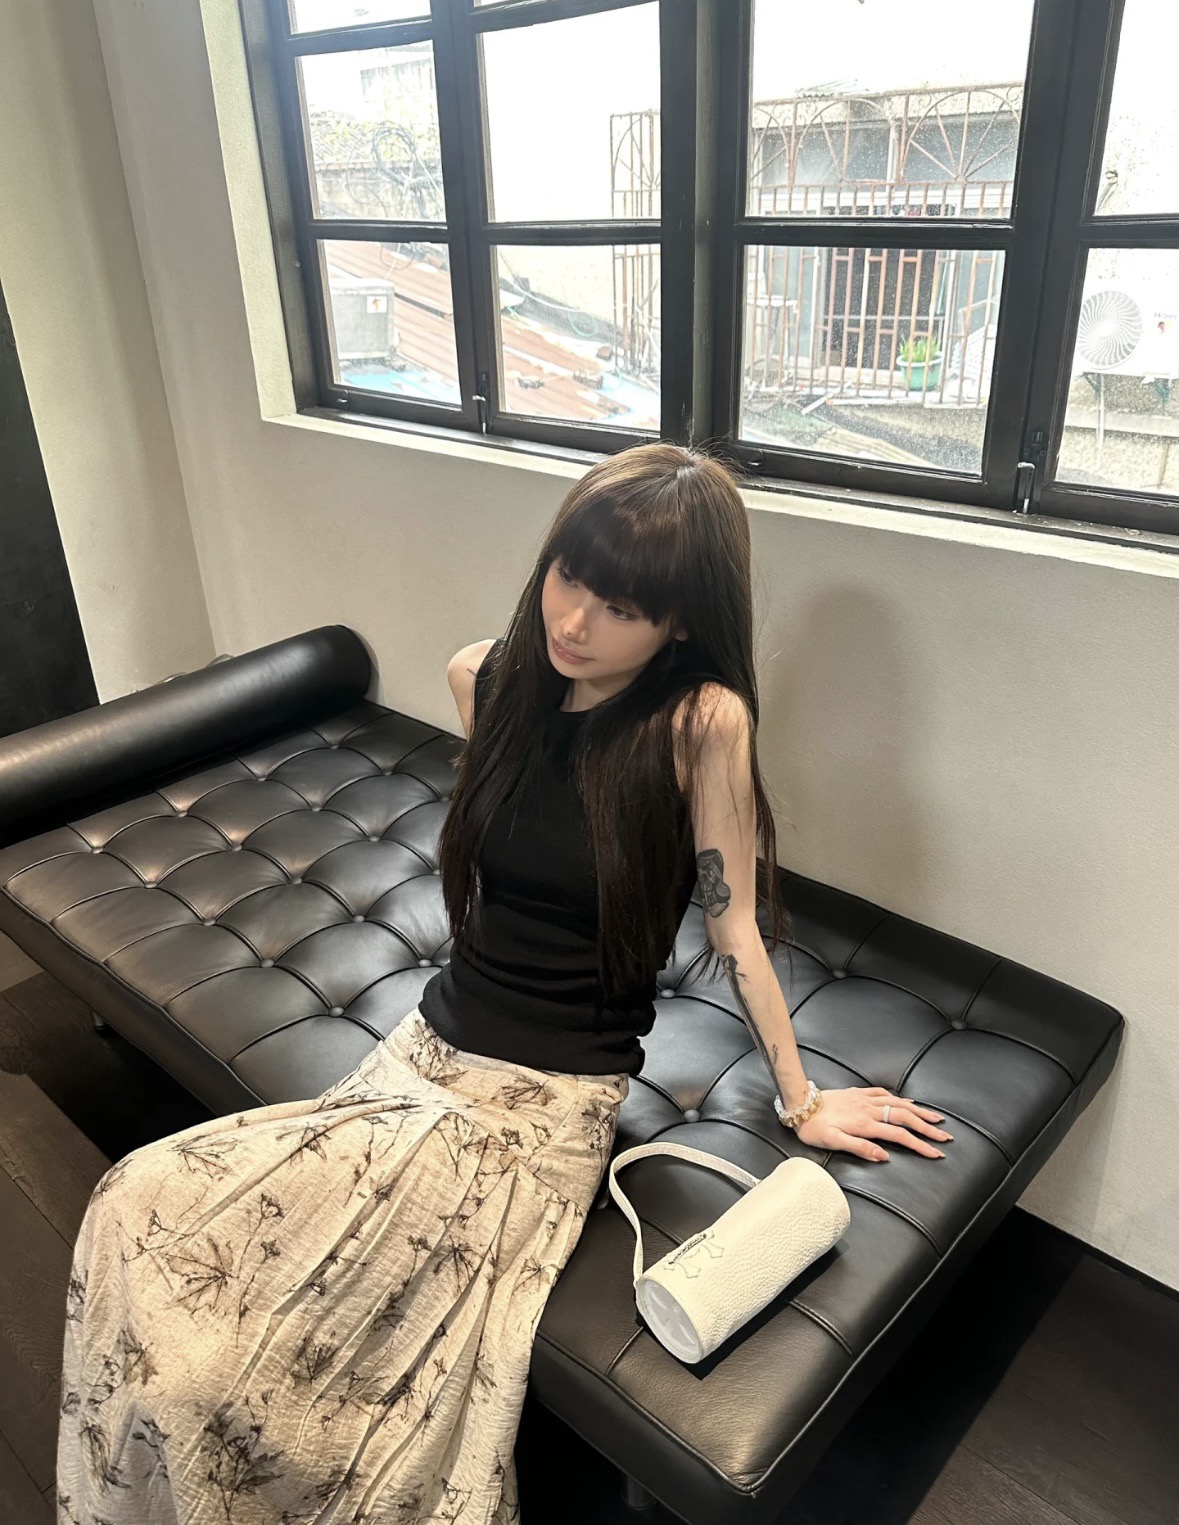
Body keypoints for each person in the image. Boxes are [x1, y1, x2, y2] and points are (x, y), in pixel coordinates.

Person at [56, 442, 951, 1524]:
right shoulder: (482, 679)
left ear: (678, 623)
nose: (575, 620)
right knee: (134, 1207)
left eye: (622, 606)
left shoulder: (699, 724)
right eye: (570, 575)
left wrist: (803, 1102)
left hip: (545, 1104)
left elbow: (735, 929)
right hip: (422, 1053)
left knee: (290, 1400)